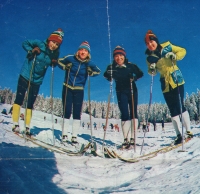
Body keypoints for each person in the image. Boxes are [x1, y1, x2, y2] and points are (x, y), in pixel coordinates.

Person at [12, 29, 64, 135]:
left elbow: (53, 62)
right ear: (49, 40)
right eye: (53, 42)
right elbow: (25, 43)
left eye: (57, 44)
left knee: (30, 103)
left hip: (37, 81)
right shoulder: (39, 43)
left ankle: (27, 127)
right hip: (26, 75)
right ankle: (15, 124)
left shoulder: (54, 54)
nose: (54, 45)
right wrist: (31, 50)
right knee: (19, 99)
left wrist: (54, 63)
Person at [144, 30, 193, 144]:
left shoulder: (168, 46)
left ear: (156, 41)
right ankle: (178, 135)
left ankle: (189, 131)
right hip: (165, 83)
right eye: (148, 44)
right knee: (172, 109)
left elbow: (183, 51)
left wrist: (174, 56)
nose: (150, 45)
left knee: (180, 105)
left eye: (152, 42)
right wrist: (151, 69)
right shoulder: (149, 58)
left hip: (176, 78)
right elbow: (152, 72)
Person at [58, 41, 101, 143]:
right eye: (81, 49)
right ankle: (64, 134)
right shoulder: (70, 58)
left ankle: (74, 136)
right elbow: (59, 61)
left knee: (77, 113)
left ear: (88, 53)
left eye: (85, 50)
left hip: (79, 90)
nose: (83, 52)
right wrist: (65, 66)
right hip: (67, 87)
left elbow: (98, 71)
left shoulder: (89, 63)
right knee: (67, 110)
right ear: (78, 51)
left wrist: (91, 72)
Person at [104, 46, 143, 148]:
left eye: (121, 55)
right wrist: (109, 76)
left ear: (124, 56)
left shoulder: (130, 66)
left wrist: (134, 77)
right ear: (114, 58)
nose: (119, 58)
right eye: (116, 56)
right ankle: (126, 139)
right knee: (124, 113)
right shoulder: (112, 67)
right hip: (120, 92)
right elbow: (106, 75)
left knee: (133, 113)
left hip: (132, 90)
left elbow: (140, 73)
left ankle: (133, 138)